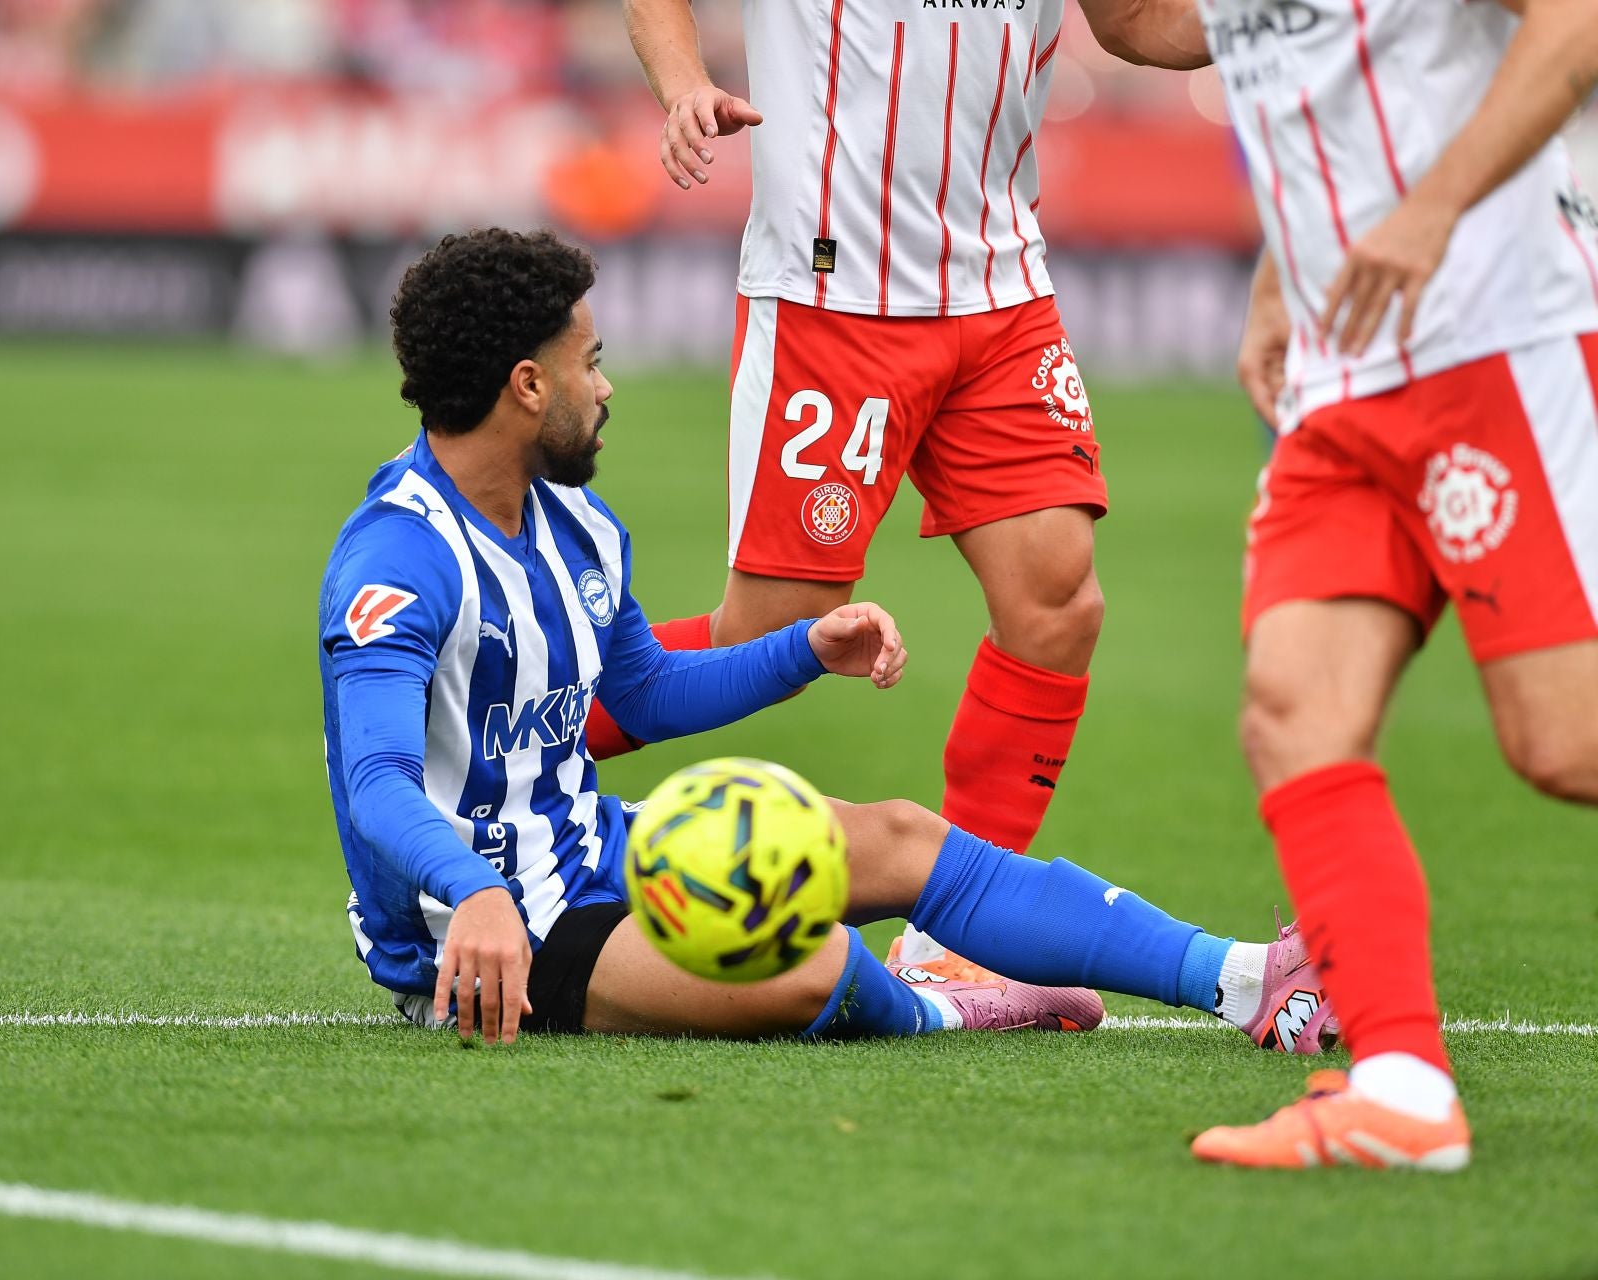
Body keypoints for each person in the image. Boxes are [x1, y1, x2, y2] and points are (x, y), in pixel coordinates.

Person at [320, 228, 1332, 1053]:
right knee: (805, 964)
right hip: (480, 930)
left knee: (897, 832)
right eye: (590, 362)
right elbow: (375, 785)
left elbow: (649, 689)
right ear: (528, 386)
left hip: (591, 849)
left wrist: (804, 647)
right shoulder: (396, 559)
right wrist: (477, 892)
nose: (607, 387)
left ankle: (1248, 979)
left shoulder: (577, 523)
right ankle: (952, 1006)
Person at [596, 0, 1210, 976]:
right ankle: (496, 745)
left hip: (1000, 287)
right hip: (832, 294)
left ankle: (965, 938)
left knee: (1057, 599)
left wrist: (1286, 20)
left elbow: (1139, 22)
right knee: (772, 629)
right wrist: (681, 85)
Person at [1182, 0, 1598, 1170]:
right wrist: (1282, 266)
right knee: (1293, 709)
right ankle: (1405, 1088)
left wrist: (1429, 209)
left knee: (1566, 744)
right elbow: (1190, 39)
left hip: (1497, 341)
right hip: (1340, 378)